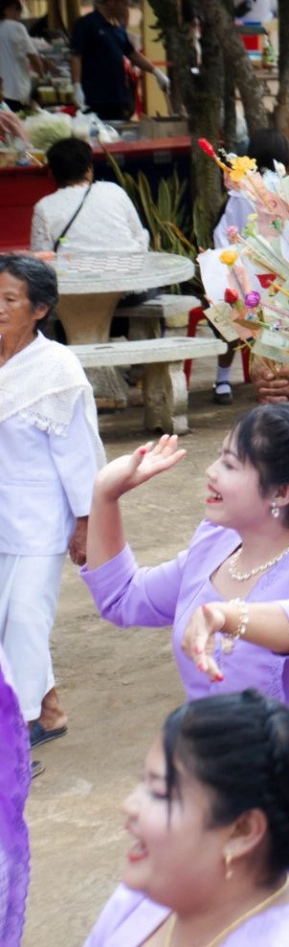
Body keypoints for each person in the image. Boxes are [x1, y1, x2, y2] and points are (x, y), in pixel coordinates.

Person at [80, 408, 289, 906]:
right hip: (219, 791)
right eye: (218, 458)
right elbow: (124, 598)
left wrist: (229, 616)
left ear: (281, 493)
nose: (210, 472)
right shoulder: (216, 544)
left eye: (231, 465)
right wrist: (105, 495)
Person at [83, 691, 289, 945]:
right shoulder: (142, 898)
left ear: (241, 831)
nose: (128, 805)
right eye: (143, 782)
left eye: (160, 792)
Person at [0, 253, 97, 752]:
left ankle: (14, 731)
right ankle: (50, 710)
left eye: (9, 299)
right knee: (8, 619)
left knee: (25, 619)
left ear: (39, 309)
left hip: (39, 519)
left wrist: (87, 523)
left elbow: (79, 453)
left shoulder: (56, 368)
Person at [30, 135, 150, 255]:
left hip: (73, 271)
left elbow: (42, 256)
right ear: (89, 169)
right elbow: (139, 236)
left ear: (51, 174)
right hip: (129, 267)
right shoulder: (114, 191)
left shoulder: (45, 206)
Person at [70, 0, 167, 120]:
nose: (126, 9)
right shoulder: (87, 24)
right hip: (95, 97)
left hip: (118, 97)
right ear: (111, 1)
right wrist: (77, 85)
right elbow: (76, 55)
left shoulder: (118, 28)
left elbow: (132, 53)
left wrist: (155, 71)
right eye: (124, 4)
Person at [0, 0, 40, 111]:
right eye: (18, 11)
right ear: (10, 9)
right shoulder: (17, 27)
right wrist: (41, 73)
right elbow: (33, 56)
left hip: (3, 90)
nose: (19, 15)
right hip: (16, 89)